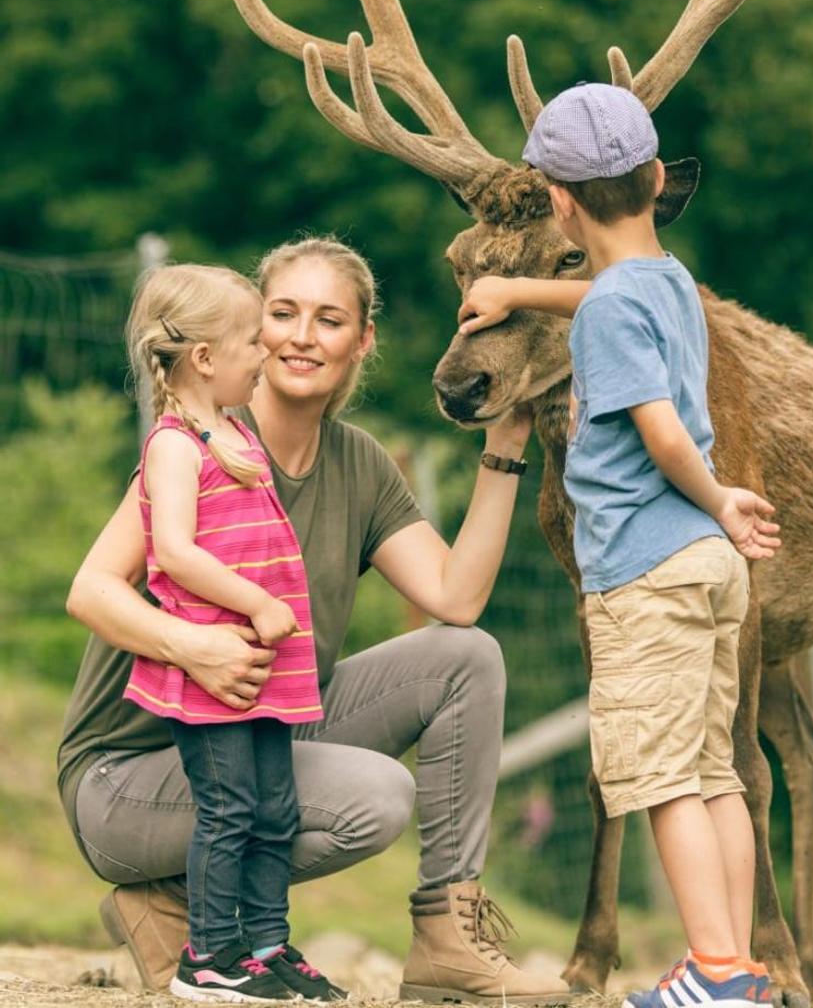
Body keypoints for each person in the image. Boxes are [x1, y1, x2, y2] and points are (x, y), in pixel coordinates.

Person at [60, 236, 571, 1007]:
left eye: (329, 319)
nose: (302, 335)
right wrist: (191, 644)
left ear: (362, 340)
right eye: (282, 313)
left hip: (260, 728)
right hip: (128, 772)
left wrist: (503, 448)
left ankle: (447, 934)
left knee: (467, 654)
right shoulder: (207, 444)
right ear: (244, 334)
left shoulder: (359, 463)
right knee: (377, 795)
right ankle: (184, 903)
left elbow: (456, 596)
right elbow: (92, 588)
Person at [465, 82, 782, 1008]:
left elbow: (663, 434)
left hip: (649, 568)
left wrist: (719, 496)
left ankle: (714, 970)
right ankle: (740, 968)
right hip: (706, 569)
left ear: (557, 202)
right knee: (715, 768)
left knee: (662, 779)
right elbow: (605, 287)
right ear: (654, 178)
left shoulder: (606, 315)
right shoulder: (670, 281)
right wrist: (517, 288)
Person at [122, 262, 336, 1001]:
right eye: (252, 340)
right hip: (217, 668)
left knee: (278, 809)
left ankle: (268, 943)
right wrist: (257, 599)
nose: (265, 352)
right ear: (206, 358)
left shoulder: (228, 429)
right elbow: (174, 550)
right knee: (229, 807)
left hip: (264, 667)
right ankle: (209, 955)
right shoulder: (173, 445)